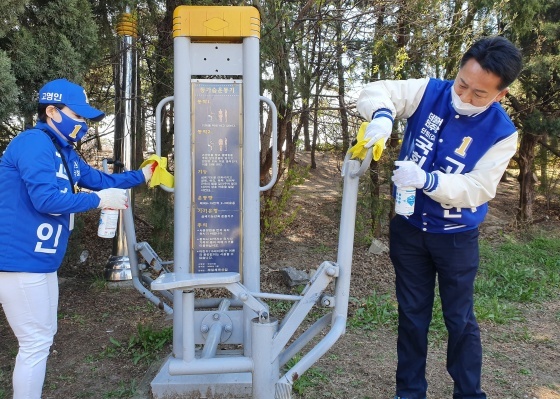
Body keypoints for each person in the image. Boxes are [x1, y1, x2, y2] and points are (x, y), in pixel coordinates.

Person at [356, 36, 523, 399]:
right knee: (412, 315)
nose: (464, 97)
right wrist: (382, 117)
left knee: (459, 320)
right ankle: (410, 392)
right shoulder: (429, 91)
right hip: (409, 229)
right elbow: (374, 90)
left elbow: (479, 187)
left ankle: (468, 393)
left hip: (457, 238)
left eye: (479, 94)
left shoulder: (503, 134)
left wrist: (429, 180)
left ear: (500, 95)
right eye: (463, 83)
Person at [0, 78, 154, 399]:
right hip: (18, 262)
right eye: (79, 116)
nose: (83, 124)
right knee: (35, 343)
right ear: (53, 112)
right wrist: (99, 201)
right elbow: (46, 199)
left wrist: (142, 176)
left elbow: (99, 179)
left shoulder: (64, 151)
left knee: (43, 337)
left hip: (42, 262)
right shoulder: (33, 144)